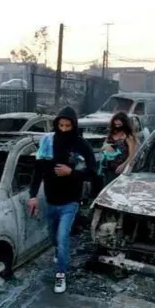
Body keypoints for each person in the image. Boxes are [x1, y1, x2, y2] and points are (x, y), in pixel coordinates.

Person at [28, 106, 96, 294]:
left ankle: (61, 275)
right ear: (57, 124)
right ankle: (59, 252)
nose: (64, 129)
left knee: (63, 236)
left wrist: (71, 172)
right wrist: (32, 196)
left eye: (68, 125)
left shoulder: (80, 144)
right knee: (53, 236)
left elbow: (91, 170)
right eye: (61, 125)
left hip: (70, 201)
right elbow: (38, 171)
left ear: (74, 125)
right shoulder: (48, 142)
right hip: (51, 200)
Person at [97, 111, 138, 187]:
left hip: (121, 170)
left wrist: (123, 165)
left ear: (124, 124)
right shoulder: (111, 135)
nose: (117, 126)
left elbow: (132, 155)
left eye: (119, 125)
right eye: (115, 124)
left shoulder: (128, 137)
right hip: (108, 170)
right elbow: (102, 148)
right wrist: (106, 147)